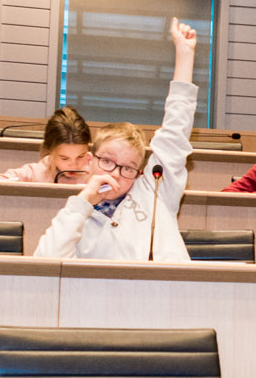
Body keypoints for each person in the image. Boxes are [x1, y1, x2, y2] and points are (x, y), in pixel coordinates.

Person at [35, 18, 199, 262]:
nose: (116, 174)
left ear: (140, 172)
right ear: (89, 160)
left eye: (128, 168)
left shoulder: (155, 190)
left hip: (170, 295)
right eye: (107, 161)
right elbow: (45, 262)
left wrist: (185, 56)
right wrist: (84, 201)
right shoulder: (78, 212)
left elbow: (176, 131)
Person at [0, 106, 94, 185]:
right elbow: (7, 178)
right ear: (50, 151)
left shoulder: (94, 172)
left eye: (80, 157)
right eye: (64, 158)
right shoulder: (36, 172)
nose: (73, 165)